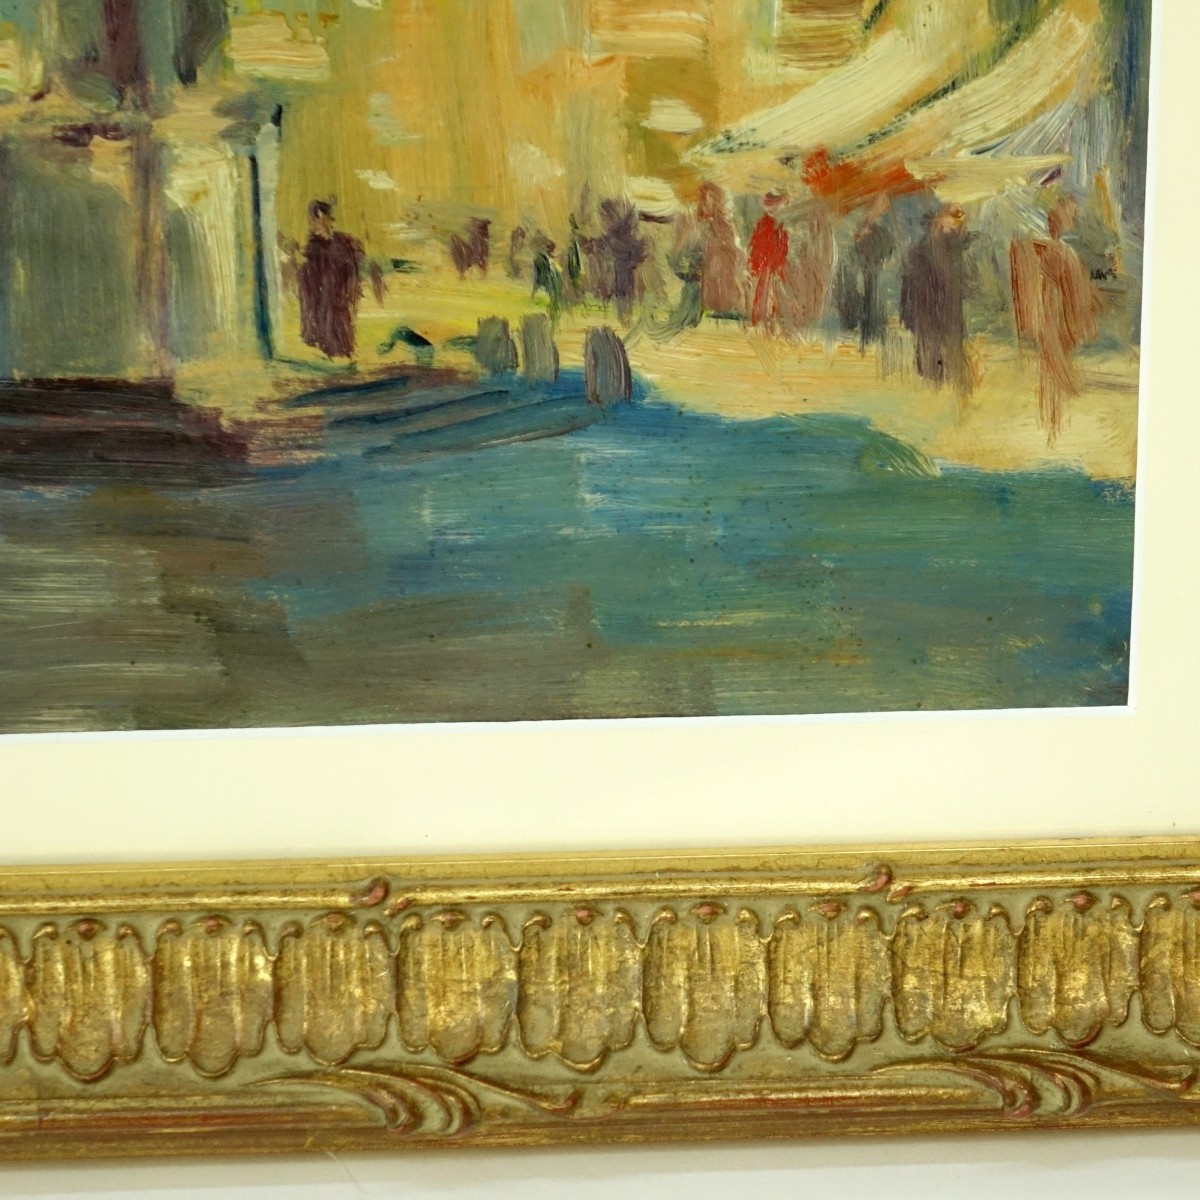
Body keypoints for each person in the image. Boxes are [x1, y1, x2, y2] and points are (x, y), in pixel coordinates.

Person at [1010, 195, 1100, 441]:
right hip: (1056, 314)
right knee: (1054, 366)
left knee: (1048, 366)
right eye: (1071, 215)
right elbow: (1077, 292)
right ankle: (1052, 423)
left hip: (1047, 313)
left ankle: (1050, 421)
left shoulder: (1037, 248)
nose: (1073, 219)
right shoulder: (1062, 252)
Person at [900, 203, 974, 395]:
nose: (956, 224)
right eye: (952, 218)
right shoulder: (921, 250)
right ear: (940, 219)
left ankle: (953, 388)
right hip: (927, 309)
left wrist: (963, 288)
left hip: (950, 310)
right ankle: (932, 390)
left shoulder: (955, 248)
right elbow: (909, 284)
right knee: (930, 353)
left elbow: (961, 279)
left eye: (959, 220)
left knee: (952, 352)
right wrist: (908, 314)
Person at [297, 200, 384, 360]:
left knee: (342, 328)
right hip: (324, 299)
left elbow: (358, 259)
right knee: (326, 326)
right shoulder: (314, 247)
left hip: (342, 297)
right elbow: (310, 275)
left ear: (330, 220)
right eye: (315, 220)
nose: (318, 224)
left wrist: (369, 269)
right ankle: (329, 355)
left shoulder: (344, 242)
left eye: (322, 219)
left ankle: (343, 355)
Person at [748, 191, 790, 332]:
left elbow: (784, 248)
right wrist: (756, 266)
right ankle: (761, 323)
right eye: (781, 205)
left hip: (776, 268)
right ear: (774, 205)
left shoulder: (781, 226)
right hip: (767, 268)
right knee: (764, 296)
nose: (783, 208)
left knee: (776, 297)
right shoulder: (765, 223)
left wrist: (781, 266)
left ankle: (772, 324)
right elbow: (758, 247)